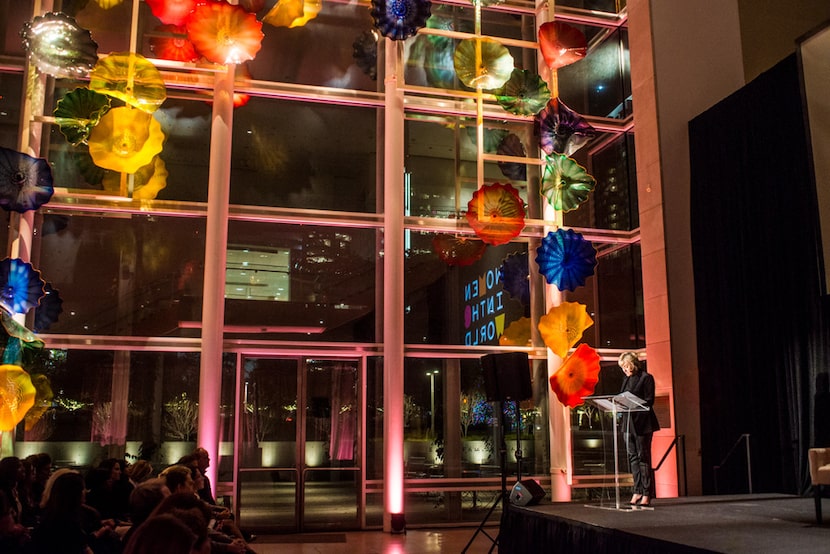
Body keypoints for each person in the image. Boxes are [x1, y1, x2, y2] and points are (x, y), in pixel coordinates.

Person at [618, 351, 660, 507]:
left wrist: (632, 403)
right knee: (632, 457)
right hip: (628, 424)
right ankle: (637, 490)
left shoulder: (646, 378)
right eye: (622, 367)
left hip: (642, 423)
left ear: (633, 364)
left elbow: (649, 400)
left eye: (626, 366)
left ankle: (647, 493)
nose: (624, 370)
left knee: (643, 458)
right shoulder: (626, 379)